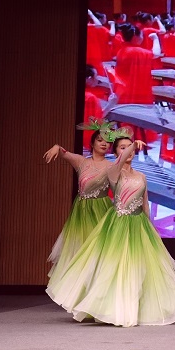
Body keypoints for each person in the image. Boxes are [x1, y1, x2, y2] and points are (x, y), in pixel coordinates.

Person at [47, 133, 175, 327]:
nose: (127, 151)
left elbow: (145, 204)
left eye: (129, 147)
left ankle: (137, 308)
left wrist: (151, 228)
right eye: (122, 147)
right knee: (117, 268)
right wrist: (132, 146)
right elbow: (120, 162)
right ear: (116, 152)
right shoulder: (114, 172)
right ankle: (115, 310)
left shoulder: (141, 176)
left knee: (142, 269)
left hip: (139, 225)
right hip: (119, 225)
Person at [42, 120, 116, 284]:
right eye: (100, 140)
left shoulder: (111, 166)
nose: (104, 144)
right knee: (79, 251)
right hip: (81, 213)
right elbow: (64, 152)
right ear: (92, 143)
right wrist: (56, 147)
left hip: (101, 211)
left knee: (98, 252)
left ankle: (97, 290)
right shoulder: (81, 162)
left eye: (107, 142)